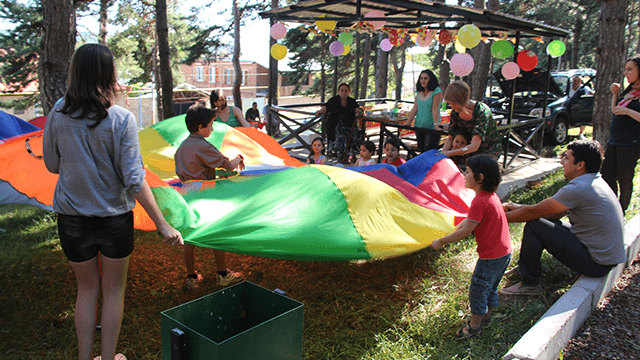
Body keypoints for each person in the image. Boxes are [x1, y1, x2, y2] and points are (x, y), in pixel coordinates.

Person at [42, 44, 183, 360]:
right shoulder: (122, 118)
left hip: (72, 219)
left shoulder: (57, 114)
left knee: (87, 290)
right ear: (109, 75)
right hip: (114, 220)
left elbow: (52, 165)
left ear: (74, 73)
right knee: (113, 291)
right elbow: (134, 179)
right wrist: (163, 224)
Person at [501, 140, 626, 296]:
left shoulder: (579, 188)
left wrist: (494, 219)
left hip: (597, 263)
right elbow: (550, 212)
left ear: (580, 165)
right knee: (541, 222)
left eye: (566, 158)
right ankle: (526, 266)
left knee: (535, 225)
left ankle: (530, 284)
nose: (561, 162)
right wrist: (517, 206)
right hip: (605, 258)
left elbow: (533, 213)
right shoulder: (592, 181)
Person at [430, 154, 512, 339]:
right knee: (490, 287)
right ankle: (487, 316)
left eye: (467, 172)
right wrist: (456, 226)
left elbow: (467, 231)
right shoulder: (490, 197)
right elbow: (471, 222)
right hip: (504, 253)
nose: (463, 175)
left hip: (491, 257)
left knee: (478, 289)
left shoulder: (479, 201)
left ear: (479, 178)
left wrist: (441, 241)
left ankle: (474, 326)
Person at [174, 103, 245, 288]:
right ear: (200, 127)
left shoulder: (183, 147)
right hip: (203, 194)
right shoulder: (203, 146)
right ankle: (222, 274)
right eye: (210, 126)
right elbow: (227, 165)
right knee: (216, 231)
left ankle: (191, 277)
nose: (212, 129)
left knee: (189, 237)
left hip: (186, 193)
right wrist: (238, 158)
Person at [602, 54, 640, 214]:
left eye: (630, 69)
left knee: (624, 177)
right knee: (606, 173)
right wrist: (615, 95)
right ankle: (611, 205)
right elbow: (615, 110)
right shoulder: (630, 89)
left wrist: (627, 110)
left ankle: (621, 210)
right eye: (625, 69)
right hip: (615, 140)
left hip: (631, 143)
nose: (626, 73)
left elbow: (625, 112)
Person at [440, 80, 501, 160]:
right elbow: (450, 139)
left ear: (462, 100)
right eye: (450, 104)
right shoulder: (455, 113)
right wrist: (442, 154)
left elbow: (474, 146)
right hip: (466, 153)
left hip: (487, 153)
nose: (452, 107)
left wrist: (450, 153)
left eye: (454, 104)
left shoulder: (481, 112)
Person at [404, 69, 444, 152]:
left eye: (426, 78)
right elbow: (415, 108)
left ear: (431, 79)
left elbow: (435, 108)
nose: (423, 80)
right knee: (421, 150)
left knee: (429, 151)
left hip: (431, 127)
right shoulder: (419, 92)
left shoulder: (436, 91)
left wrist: (436, 125)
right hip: (419, 125)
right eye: (421, 78)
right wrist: (408, 122)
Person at [569, 75, 594, 140]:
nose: (576, 82)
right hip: (568, 105)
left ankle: (581, 133)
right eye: (574, 80)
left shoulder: (584, 88)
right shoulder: (569, 87)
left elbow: (591, 93)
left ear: (580, 81)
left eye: (578, 80)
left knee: (584, 117)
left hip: (578, 106)